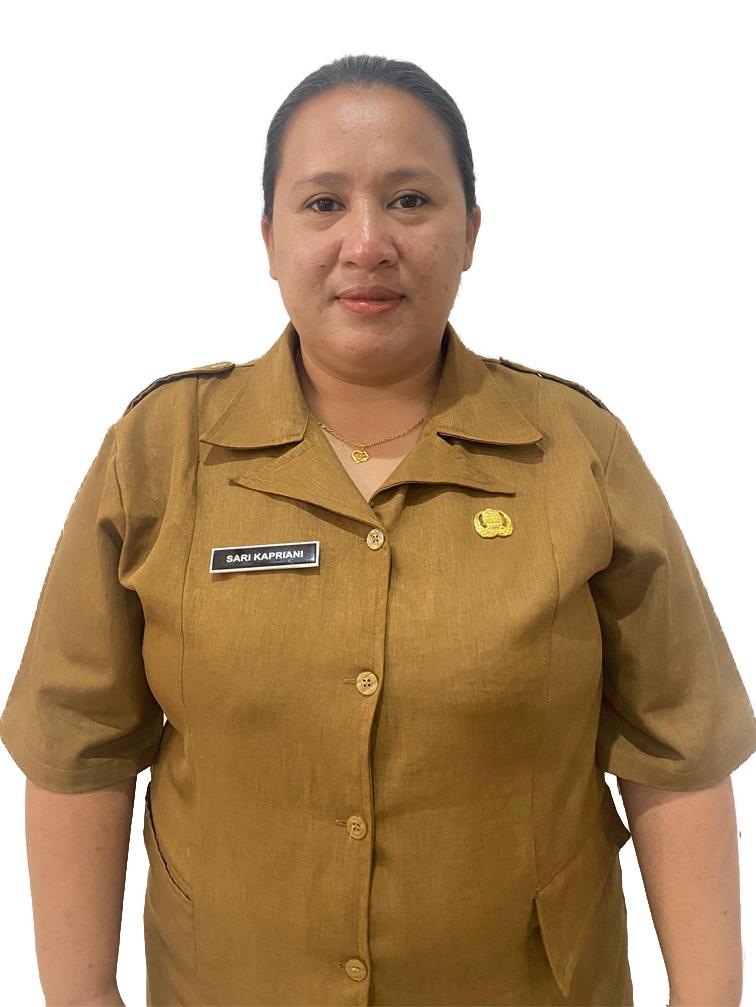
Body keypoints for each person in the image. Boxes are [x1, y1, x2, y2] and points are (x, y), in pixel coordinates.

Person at [1, 53, 754, 1007]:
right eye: (323, 204)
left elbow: (678, 750)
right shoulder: (159, 453)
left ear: (470, 231)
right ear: (269, 237)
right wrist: (80, 997)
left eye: (410, 200)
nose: (367, 243)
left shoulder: (576, 451)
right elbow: (76, 745)